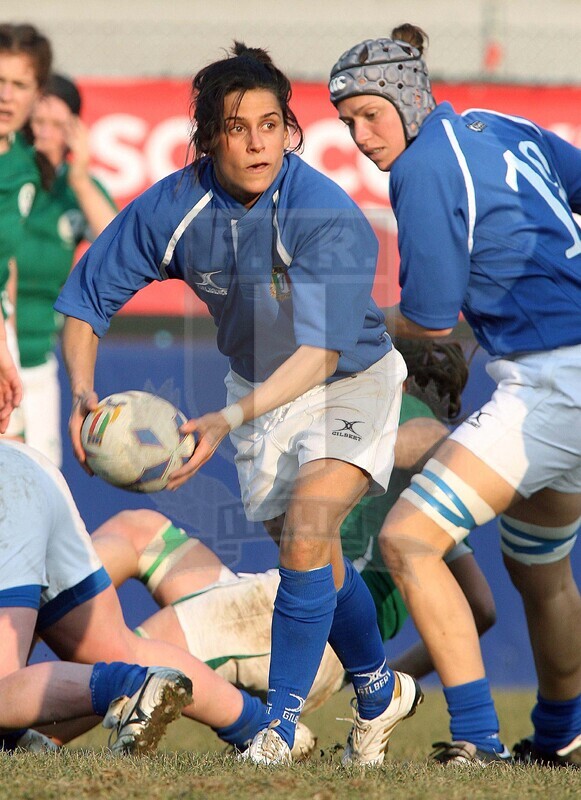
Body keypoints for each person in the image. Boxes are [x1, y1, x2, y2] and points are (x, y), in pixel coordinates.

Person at [55, 42, 421, 766]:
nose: (256, 141)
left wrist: (225, 420)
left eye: (269, 123)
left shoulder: (324, 213)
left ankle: (276, 729)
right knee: (310, 554)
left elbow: (319, 354)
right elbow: (87, 298)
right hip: (259, 391)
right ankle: (378, 688)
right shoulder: (173, 207)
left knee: (311, 526)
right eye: (235, 126)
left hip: (349, 379)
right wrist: (84, 393)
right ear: (208, 140)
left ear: (291, 130)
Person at [329, 23, 581, 767]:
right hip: (558, 379)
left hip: (550, 383)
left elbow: (432, 321)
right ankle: (561, 733)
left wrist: (346, 330)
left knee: (408, 540)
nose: (361, 135)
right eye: (347, 122)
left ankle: (476, 738)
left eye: (369, 114)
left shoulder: (423, 166)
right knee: (540, 572)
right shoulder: (497, 125)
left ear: (408, 99)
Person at [87, 340, 495, 719]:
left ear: (397, 378)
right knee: (139, 529)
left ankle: (31, 722)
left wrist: (359, 452)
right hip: (314, 637)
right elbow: (481, 608)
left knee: (129, 654)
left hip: (308, 621)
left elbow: (426, 438)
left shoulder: (381, 411)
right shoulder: (428, 507)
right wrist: (385, 674)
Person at [0, 436, 318, 757]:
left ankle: (131, 685)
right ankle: (262, 727)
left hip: (7, 488)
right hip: (28, 464)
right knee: (121, 649)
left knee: (3, 691)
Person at [15, 73, 117, 466]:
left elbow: (117, 242)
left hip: (37, 362)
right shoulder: (10, 177)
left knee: (41, 479)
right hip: (2, 346)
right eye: (37, 122)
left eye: (58, 125)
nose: (44, 134)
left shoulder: (72, 189)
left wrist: (78, 174)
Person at [0, 23, 52, 439]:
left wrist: (6, 339)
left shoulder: (22, 162)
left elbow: (5, 263)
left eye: (19, 83)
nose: (6, 94)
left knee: (17, 469)